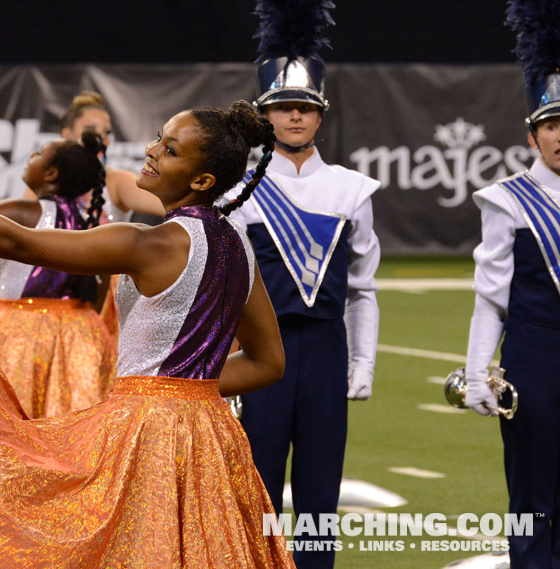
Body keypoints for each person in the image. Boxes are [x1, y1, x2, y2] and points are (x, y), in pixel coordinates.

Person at [0, 100, 293, 568]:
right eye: (159, 136)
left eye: (171, 149)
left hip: (148, 436)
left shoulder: (149, 242)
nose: (152, 149)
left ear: (202, 181)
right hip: (215, 437)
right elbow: (268, 363)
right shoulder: (239, 246)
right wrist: (185, 391)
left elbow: (18, 241)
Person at [223, 2, 380, 567]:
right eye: (284, 108)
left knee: (319, 494)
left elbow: (363, 288)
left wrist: (361, 364)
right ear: (264, 115)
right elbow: (224, 290)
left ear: (321, 116)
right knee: (257, 485)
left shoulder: (352, 190)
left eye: (305, 109)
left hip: (324, 350)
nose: (295, 118)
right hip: (262, 351)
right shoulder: (234, 194)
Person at [464, 3, 560, 566]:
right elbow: (490, 297)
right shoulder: (505, 200)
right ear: (532, 135)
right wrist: (479, 370)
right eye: (551, 125)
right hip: (534, 350)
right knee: (532, 490)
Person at [0, 130, 116, 418]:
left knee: (11, 424)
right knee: (72, 424)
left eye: (37, 153)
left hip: (22, 333)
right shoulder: (91, 223)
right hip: (85, 333)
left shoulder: (24, 212)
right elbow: (101, 286)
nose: (30, 157)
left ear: (50, 173)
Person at [25, 91, 165, 222]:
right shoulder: (46, 182)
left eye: (107, 132)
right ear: (66, 135)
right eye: (90, 130)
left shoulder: (117, 181)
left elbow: (172, 205)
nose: (100, 137)